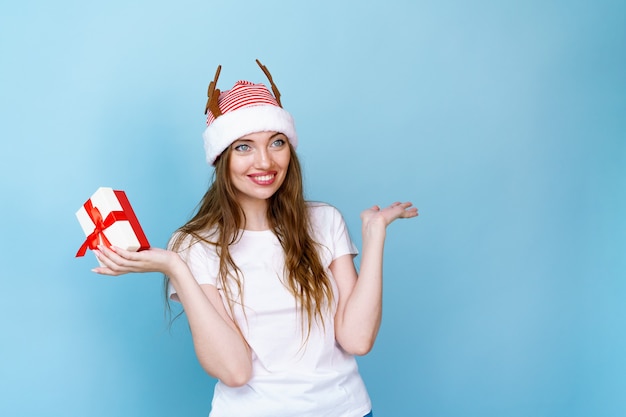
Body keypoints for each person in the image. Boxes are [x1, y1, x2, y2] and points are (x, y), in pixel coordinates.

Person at [93, 60, 418, 417]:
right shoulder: (194, 244)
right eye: (244, 147)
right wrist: (176, 268)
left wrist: (373, 237)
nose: (265, 161)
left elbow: (357, 339)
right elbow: (235, 371)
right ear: (222, 158)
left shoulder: (325, 221)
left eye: (276, 142)